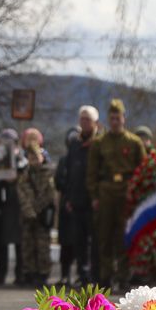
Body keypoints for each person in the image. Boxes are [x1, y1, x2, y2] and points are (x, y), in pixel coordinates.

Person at [86, 98, 147, 290]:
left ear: (124, 118)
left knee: (124, 236)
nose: (114, 121)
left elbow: (143, 169)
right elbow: (92, 172)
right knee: (104, 236)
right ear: (108, 119)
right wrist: (95, 196)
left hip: (127, 192)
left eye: (118, 118)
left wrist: (138, 195)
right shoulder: (99, 142)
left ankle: (123, 276)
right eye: (111, 118)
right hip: (106, 192)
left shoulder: (134, 142)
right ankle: (105, 277)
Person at [54, 108, 100, 286]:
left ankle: (94, 275)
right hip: (76, 199)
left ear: (95, 122)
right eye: (82, 119)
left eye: (88, 119)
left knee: (93, 241)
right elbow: (71, 173)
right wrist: (70, 199)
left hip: (93, 200)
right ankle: (82, 274)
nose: (84, 122)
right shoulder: (75, 144)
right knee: (79, 241)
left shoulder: (99, 142)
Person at [16, 137, 55, 288]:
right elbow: (21, 193)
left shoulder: (48, 174)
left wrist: (37, 210)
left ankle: (43, 275)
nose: (34, 160)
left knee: (43, 247)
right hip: (28, 218)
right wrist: (29, 211)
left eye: (36, 156)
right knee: (28, 247)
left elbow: (50, 195)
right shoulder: (26, 175)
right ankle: (29, 274)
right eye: (31, 157)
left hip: (42, 217)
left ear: (42, 157)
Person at [0, 128, 22, 285]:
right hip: (2, 206)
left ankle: (20, 275)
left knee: (20, 243)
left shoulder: (21, 160)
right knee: (2, 243)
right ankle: (1, 275)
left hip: (18, 205)